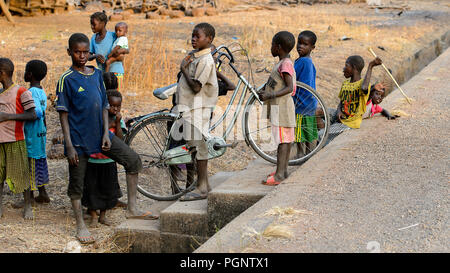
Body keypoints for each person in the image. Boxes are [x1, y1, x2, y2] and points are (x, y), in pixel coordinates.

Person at [56, 33, 157, 244]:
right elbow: (63, 115)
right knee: (77, 182)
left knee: (133, 160)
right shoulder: (66, 79)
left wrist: (105, 133)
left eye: (85, 52)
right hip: (78, 140)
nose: (82, 56)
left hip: (100, 136)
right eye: (77, 52)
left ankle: (132, 208)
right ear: (69, 52)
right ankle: (80, 225)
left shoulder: (95, 75)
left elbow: (103, 105)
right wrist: (69, 145)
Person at [174, 23, 218, 201]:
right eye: (192, 36)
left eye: (197, 36)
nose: (193, 39)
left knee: (199, 148)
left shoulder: (205, 61)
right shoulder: (195, 56)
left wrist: (183, 69)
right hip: (189, 107)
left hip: (197, 108)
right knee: (195, 147)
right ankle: (204, 184)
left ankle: (201, 188)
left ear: (209, 40)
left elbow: (196, 87)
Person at [82, 84, 125, 227]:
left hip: (109, 161)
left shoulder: (119, 119)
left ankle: (103, 215)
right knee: (92, 189)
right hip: (93, 160)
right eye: (112, 106)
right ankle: (93, 215)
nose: (115, 109)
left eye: (118, 107)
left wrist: (118, 123)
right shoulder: (96, 117)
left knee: (108, 189)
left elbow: (120, 139)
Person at [0, 57, 37, 220]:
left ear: (2, 74)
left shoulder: (21, 91)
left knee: (21, 175)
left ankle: (28, 205)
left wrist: (7, 116)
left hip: (15, 139)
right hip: (1, 141)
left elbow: (32, 114)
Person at [258, 31, 297, 186]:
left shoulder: (285, 64)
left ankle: (280, 174)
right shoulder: (282, 62)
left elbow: (289, 87)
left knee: (283, 142)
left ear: (279, 47)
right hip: (280, 109)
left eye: (272, 45)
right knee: (285, 140)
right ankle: (283, 170)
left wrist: (270, 95)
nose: (271, 47)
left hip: (282, 109)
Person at [23, 60, 50, 204]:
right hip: (40, 132)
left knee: (30, 164)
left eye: (26, 71)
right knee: (39, 162)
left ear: (30, 74)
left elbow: (37, 113)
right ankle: (43, 193)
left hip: (32, 134)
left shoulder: (31, 92)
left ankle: (29, 198)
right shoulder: (41, 90)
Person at [331, 55, 382, 129]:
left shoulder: (363, 85)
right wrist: (339, 111)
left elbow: (364, 88)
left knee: (321, 135)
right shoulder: (345, 83)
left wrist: (371, 66)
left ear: (354, 68)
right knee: (317, 111)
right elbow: (341, 102)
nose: (343, 69)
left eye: (346, 66)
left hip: (350, 123)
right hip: (340, 116)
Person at [292, 30, 319, 157]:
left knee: (300, 132)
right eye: (299, 43)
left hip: (302, 102)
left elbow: (299, 81)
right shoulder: (305, 60)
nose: (300, 46)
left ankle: (301, 154)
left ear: (312, 47)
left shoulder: (304, 62)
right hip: (309, 102)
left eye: (305, 44)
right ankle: (308, 153)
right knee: (308, 130)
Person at [89, 12, 129, 92]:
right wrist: (96, 56)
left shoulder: (114, 35)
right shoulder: (93, 38)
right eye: (91, 24)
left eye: (94, 24)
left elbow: (125, 50)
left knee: (115, 97)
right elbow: (88, 56)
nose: (92, 27)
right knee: (104, 98)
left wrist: (117, 55)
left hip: (116, 72)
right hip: (103, 74)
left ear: (103, 24)